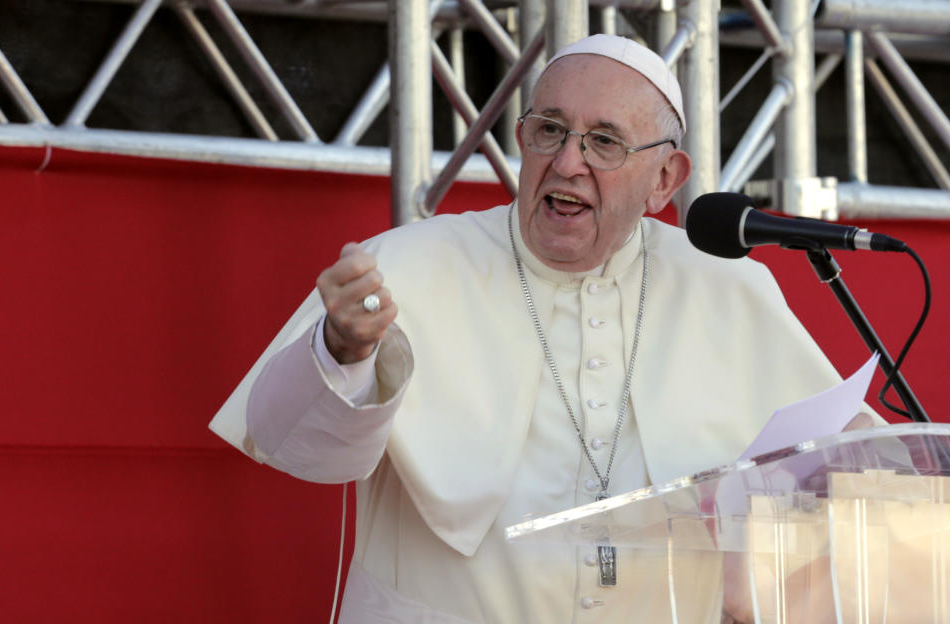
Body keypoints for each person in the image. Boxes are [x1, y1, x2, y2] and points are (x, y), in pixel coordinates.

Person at [210, 34, 846, 622]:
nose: (568, 161)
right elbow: (297, 449)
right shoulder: (405, 266)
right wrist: (340, 351)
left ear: (664, 180)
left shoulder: (729, 290)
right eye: (549, 130)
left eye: (604, 141)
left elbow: (838, 467)